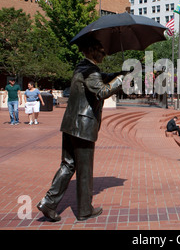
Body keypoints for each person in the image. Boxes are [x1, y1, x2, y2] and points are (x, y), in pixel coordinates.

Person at [37, 39, 124, 222]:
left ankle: (49, 202)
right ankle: (84, 210)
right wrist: (120, 81)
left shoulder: (81, 67)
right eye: (101, 50)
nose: (104, 53)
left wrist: (117, 73)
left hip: (70, 124)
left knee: (68, 164)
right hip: (83, 127)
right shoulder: (91, 71)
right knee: (84, 170)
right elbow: (101, 91)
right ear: (93, 51)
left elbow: (98, 77)